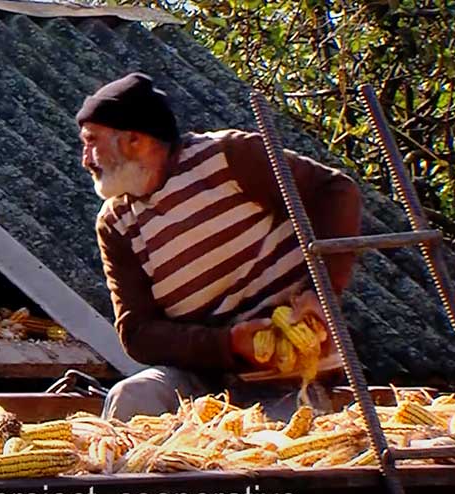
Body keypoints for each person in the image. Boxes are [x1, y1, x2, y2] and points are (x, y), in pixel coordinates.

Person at [79, 73, 363, 421]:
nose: (86, 159)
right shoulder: (116, 223)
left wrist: (320, 292)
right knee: (133, 397)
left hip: (289, 378)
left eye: (92, 142)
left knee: (281, 435)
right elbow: (138, 333)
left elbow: (336, 191)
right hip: (200, 379)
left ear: (135, 141)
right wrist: (228, 344)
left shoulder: (230, 158)